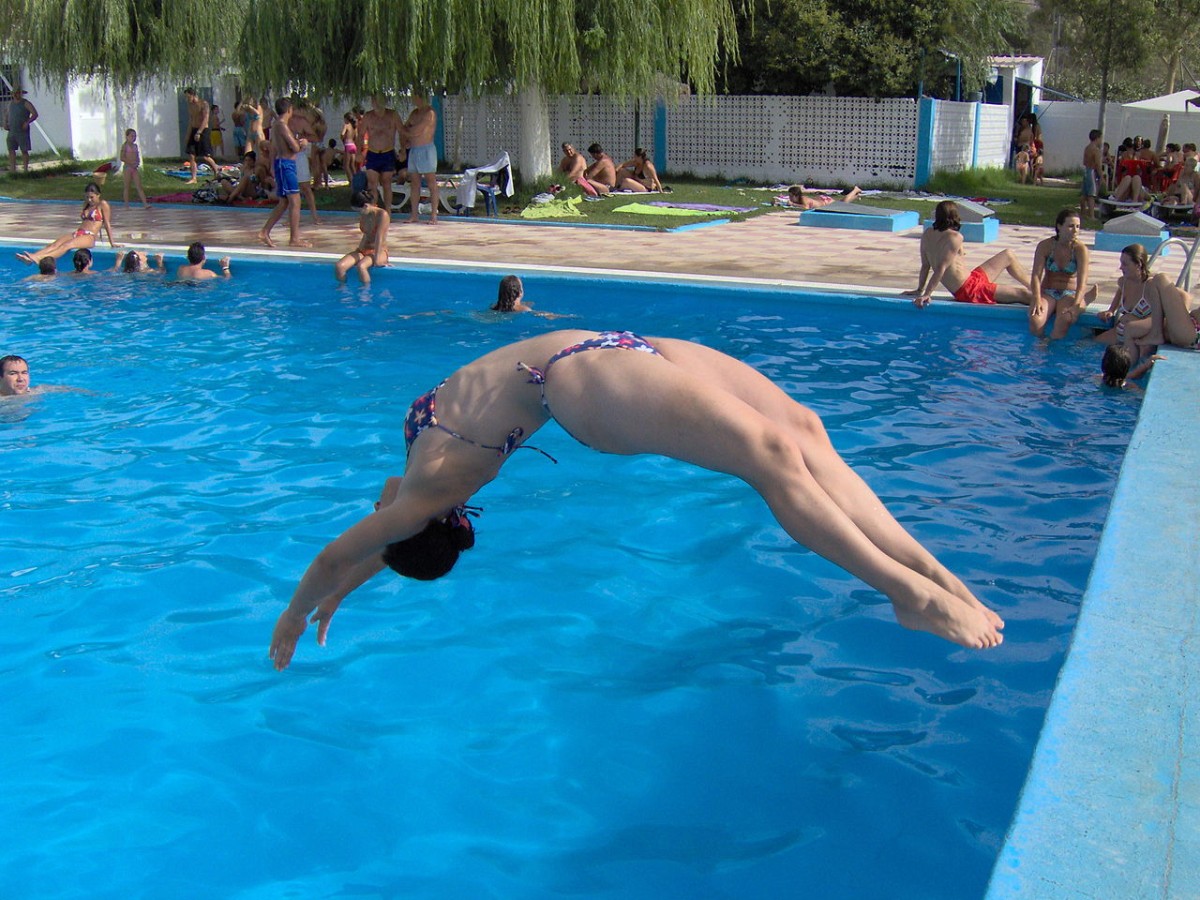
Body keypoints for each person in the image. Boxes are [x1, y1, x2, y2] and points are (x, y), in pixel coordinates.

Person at [267, 329, 1007, 672]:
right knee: (774, 456)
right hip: (582, 382)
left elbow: (357, 548)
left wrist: (319, 604)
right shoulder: (428, 479)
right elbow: (356, 546)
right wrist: (309, 605)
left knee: (803, 430)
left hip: (615, 350)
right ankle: (908, 594)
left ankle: (936, 576)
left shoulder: (414, 493)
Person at [904, 200, 1033, 308]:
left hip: (972, 279)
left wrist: (919, 289)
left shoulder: (927, 234)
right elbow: (940, 269)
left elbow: (925, 265)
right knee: (1021, 294)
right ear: (954, 216)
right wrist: (927, 294)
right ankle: (1046, 302)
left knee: (1008, 254)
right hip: (969, 291)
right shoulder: (955, 237)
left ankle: (1036, 289)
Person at [1029, 209, 1097, 339]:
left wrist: (1076, 305)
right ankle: (1039, 346)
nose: (1075, 230)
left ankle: (1051, 348)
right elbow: (1036, 276)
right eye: (1071, 226)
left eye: (1077, 227)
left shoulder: (1080, 249)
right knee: (1035, 319)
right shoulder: (1045, 246)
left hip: (1068, 293)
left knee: (1065, 319)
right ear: (1059, 226)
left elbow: (1082, 282)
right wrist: (1037, 298)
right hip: (1048, 291)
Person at [17, 181, 117, 265]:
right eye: (87, 197)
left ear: (98, 195)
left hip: (89, 236)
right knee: (55, 244)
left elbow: (107, 224)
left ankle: (40, 259)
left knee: (67, 245)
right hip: (78, 233)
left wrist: (112, 243)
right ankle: (32, 257)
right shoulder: (86, 205)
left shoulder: (102, 204)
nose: (89, 200)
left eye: (92, 197)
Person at [258, 97, 310, 248]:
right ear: (288, 110)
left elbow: (274, 147)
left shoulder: (276, 126)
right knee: (295, 201)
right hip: (286, 164)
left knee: (284, 202)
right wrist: (303, 144)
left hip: (282, 164)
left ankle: (265, 231)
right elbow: (294, 147)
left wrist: (272, 165)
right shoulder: (282, 125)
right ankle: (294, 238)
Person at [360, 95, 404, 211]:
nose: (376, 103)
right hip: (373, 154)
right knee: (372, 183)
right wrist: (359, 153)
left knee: (386, 182)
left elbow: (402, 132)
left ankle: (388, 210)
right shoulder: (368, 117)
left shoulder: (393, 115)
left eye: (379, 100)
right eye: (374, 100)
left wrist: (403, 150)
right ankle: (373, 209)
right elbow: (360, 134)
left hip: (387, 153)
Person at [334, 190, 389, 283]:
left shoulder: (382, 214)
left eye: (358, 210)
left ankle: (366, 294)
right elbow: (366, 235)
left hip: (378, 251)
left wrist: (377, 259)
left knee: (361, 266)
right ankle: (343, 293)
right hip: (362, 250)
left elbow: (379, 237)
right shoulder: (365, 214)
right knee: (340, 266)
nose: (358, 213)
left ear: (366, 206)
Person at [402, 92, 439, 224]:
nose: (413, 98)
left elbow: (416, 130)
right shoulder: (414, 113)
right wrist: (406, 135)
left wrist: (406, 132)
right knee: (414, 183)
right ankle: (414, 214)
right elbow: (406, 127)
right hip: (414, 150)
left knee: (431, 182)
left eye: (415, 96)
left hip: (426, 149)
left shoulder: (430, 113)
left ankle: (434, 215)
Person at [183, 87, 219, 185]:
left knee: (205, 157)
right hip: (194, 129)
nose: (187, 99)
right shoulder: (190, 106)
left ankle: (217, 171)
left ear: (193, 95)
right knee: (191, 155)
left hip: (203, 130)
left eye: (188, 97)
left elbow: (205, 119)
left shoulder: (204, 104)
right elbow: (191, 120)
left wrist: (199, 132)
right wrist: (188, 134)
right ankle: (194, 178)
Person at [5, 86, 38, 174]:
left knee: (24, 150)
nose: (16, 95)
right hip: (12, 131)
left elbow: (35, 114)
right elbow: (7, 114)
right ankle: (13, 170)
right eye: (14, 93)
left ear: (21, 93)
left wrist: (27, 122)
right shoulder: (10, 104)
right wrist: (5, 123)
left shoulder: (26, 103)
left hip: (22, 131)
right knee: (11, 150)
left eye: (17, 93)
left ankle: (25, 170)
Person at [120, 128, 150, 209]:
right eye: (132, 136)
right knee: (127, 186)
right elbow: (122, 157)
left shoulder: (135, 146)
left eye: (135, 136)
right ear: (127, 137)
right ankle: (126, 205)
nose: (133, 138)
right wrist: (130, 163)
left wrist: (137, 163)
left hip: (134, 168)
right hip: (127, 168)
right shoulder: (125, 146)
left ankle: (145, 204)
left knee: (139, 186)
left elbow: (137, 156)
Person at [786, 184, 862, 210]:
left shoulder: (803, 199)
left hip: (825, 202)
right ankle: (856, 195)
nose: (790, 198)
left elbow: (806, 207)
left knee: (842, 203)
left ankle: (855, 190)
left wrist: (792, 204)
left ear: (796, 195)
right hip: (822, 200)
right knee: (841, 202)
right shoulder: (799, 199)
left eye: (791, 196)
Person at [1081, 130, 1102, 219]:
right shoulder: (1095, 150)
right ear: (1097, 138)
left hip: (1086, 171)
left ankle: (1083, 213)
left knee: (1084, 194)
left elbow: (1084, 162)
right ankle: (1092, 215)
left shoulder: (1087, 148)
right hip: (1092, 172)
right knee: (1091, 195)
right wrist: (1101, 176)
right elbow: (1098, 164)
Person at [340, 112, 359, 182]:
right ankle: (357, 180)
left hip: (347, 145)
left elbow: (342, 134)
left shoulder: (346, 125)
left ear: (346, 119)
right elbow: (356, 137)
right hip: (353, 145)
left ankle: (351, 181)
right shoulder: (354, 127)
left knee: (346, 165)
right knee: (352, 165)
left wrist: (343, 140)